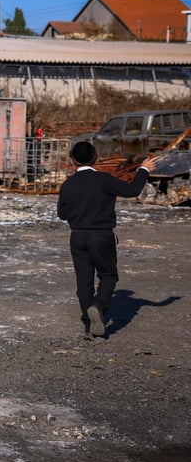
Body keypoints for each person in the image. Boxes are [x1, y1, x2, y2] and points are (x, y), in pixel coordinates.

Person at [57, 141, 156, 339]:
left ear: (71, 160)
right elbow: (132, 190)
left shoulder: (68, 184)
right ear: (96, 157)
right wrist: (144, 168)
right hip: (102, 235)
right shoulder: (104, 180)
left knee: (84, 281)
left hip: (77, 236)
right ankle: (98, 306)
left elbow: (62, 213)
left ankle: (87, 324)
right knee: (108, 275)